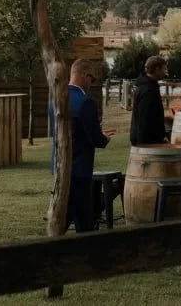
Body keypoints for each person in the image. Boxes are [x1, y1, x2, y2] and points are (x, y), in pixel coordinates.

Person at [48, 59, 115, 233]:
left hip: (59, 165)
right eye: (92, 80)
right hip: (79, 170)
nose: (92, 84)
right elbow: (96, 140)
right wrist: (104, 138)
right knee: (63, 220)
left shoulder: (55, 100)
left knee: (84, 219)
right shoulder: (85, 103)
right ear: (85, 76)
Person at [129, 55, 168, 146]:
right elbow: (144, 118)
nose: (165, 72)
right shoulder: (148, 90)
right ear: (157, 69)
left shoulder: (148, 86)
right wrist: (143, 144)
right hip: (147, 142)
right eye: (164, 69)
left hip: (148, 140)